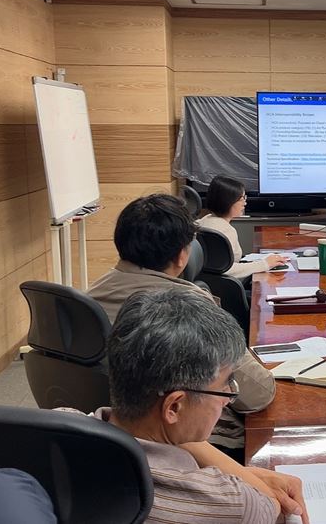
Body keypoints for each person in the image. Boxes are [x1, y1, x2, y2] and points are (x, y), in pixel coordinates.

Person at [92, 289, 308, 523]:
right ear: (174, 407)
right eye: (224, 387)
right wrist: (250, 479)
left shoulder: (64, 427)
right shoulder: (232, 505)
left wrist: (245, 474)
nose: (227, 398)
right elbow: (271, 504)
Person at [88, 194, 275, 455]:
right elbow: (257, 394)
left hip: (102, 433)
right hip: (182, 442)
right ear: (181, 256)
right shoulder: (186, 307)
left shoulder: (89, 295)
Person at [198, 176, 289, 278]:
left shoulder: (205, 220)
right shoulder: (223, 230)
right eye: (241, 199)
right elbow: (226, 269)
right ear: (227, 202)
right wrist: (265, 264)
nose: (245, 203)